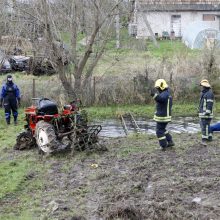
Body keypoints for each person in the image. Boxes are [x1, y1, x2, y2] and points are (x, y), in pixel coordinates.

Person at [150, 79, 174, 150]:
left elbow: (160, 99)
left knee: (159, 131)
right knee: (162, 129)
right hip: (165, 116)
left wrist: (153, 95)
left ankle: (163, 146)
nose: (157, 89)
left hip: (163, 117)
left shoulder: (164, 94)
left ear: (161, 87)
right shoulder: (167, 93)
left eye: (158, 88)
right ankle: (170, 142)